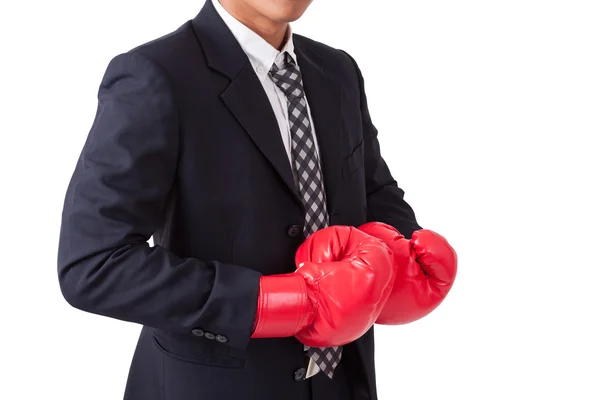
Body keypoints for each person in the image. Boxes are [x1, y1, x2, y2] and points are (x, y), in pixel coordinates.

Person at [57, 0, 457, 399]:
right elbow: (93, 264)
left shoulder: (338, 70)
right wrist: (273, 303)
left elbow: (372, 190)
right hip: (217, 386)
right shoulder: (155, 75)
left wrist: (403, 248)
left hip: (343, 382)